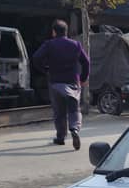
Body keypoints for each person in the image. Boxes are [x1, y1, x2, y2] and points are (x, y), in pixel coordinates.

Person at [33, 19, 89, 150]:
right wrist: (83, 77)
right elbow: (86, 62)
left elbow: (36, 58)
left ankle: (60, 137)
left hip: (55, 82)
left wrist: (45, 70)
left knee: (59, 112)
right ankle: (74, 129)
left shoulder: (49, 45)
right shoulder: (76, 45)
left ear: (53, 32)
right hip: (73, 82)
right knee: (74, 109)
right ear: (66, 31)